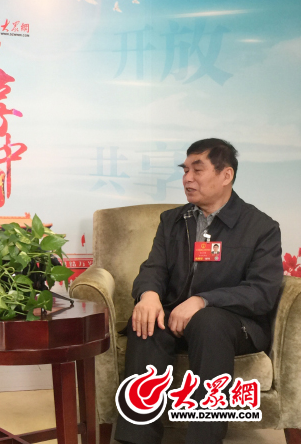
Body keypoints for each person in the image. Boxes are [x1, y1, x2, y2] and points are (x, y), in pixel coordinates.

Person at [114, 138, 283, 444]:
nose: (187, 178)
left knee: (209, 322)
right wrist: (148, 295)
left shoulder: (261, 227)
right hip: (177, 317)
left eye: (197, 169)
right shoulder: (173, 221)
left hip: (233, 324)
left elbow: (262, 292)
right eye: (185, 170)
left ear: (226, 175)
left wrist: (203, 301)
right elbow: (154, 268)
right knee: (146, 321)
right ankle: (136, 439)